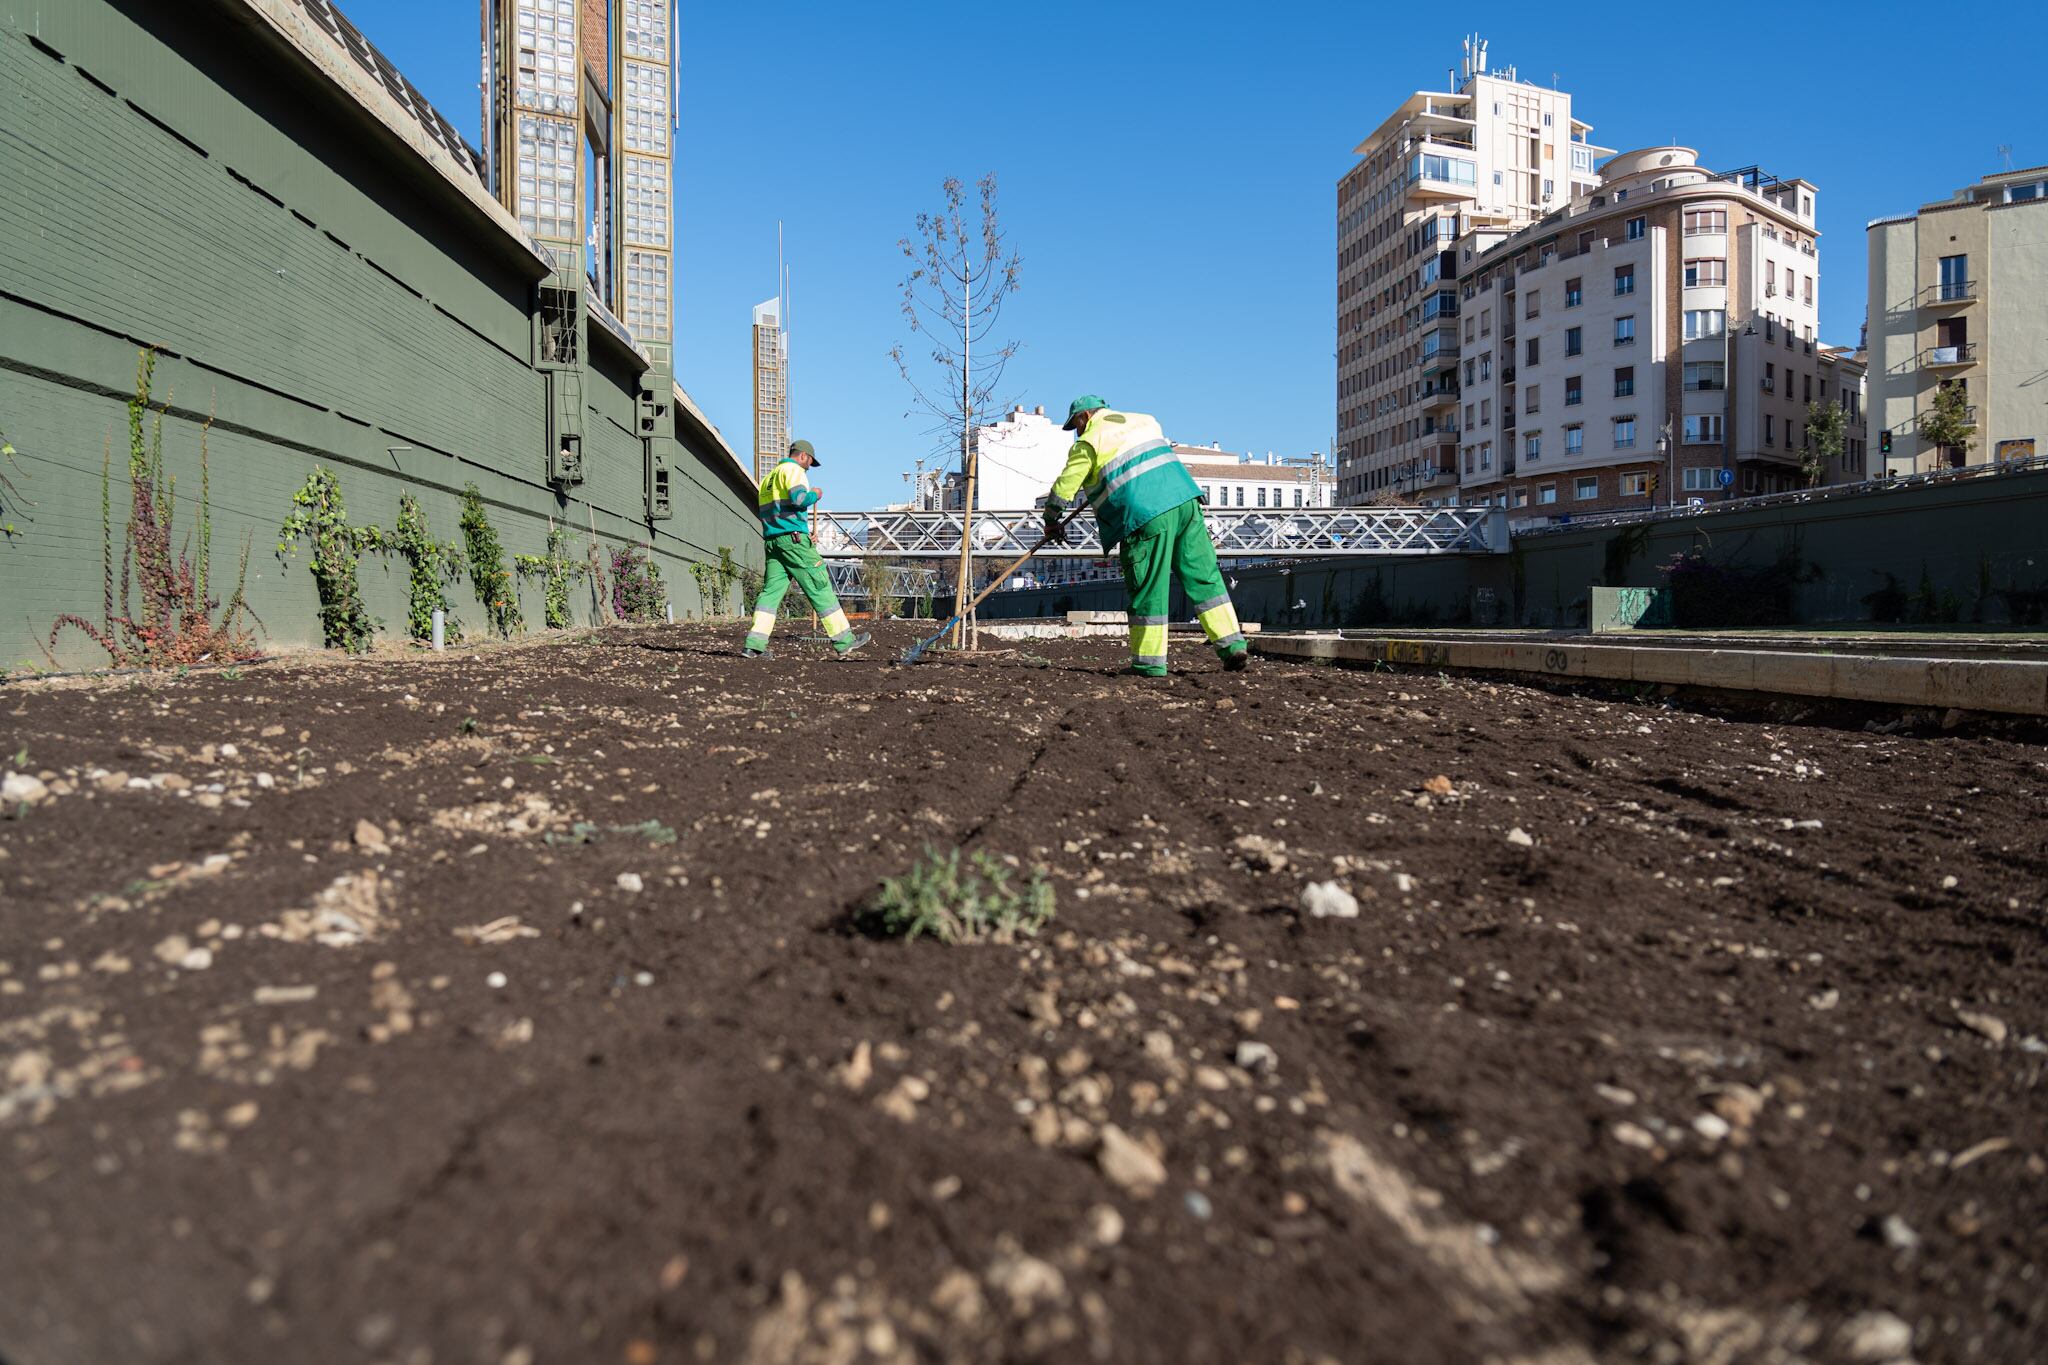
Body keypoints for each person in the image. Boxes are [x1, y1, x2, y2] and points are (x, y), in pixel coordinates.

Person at [1042, 395, 1248, 677]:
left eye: (1075, 425)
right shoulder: (1145, 421)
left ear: (1085, 417)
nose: (1076, 432)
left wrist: (1051, 518)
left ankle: (1149, 664)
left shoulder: (1088, 441)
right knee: (1204, 577)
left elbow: (1066, 485)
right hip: (1186, 502)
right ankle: (1232, 645)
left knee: (1149, 587)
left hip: (1145, 515)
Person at [741, 440, 870, 659]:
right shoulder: (793, 470)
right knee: (819, 583)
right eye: (810, 461)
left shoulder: (768, 480)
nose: (809, 466)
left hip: (774, 541)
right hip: (793, 541)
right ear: (803, 456)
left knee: (770, 593)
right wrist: (816, 494)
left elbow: (778, 512)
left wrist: (801, 533)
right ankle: (845, 641)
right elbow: (799, 499)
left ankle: (753, 645)